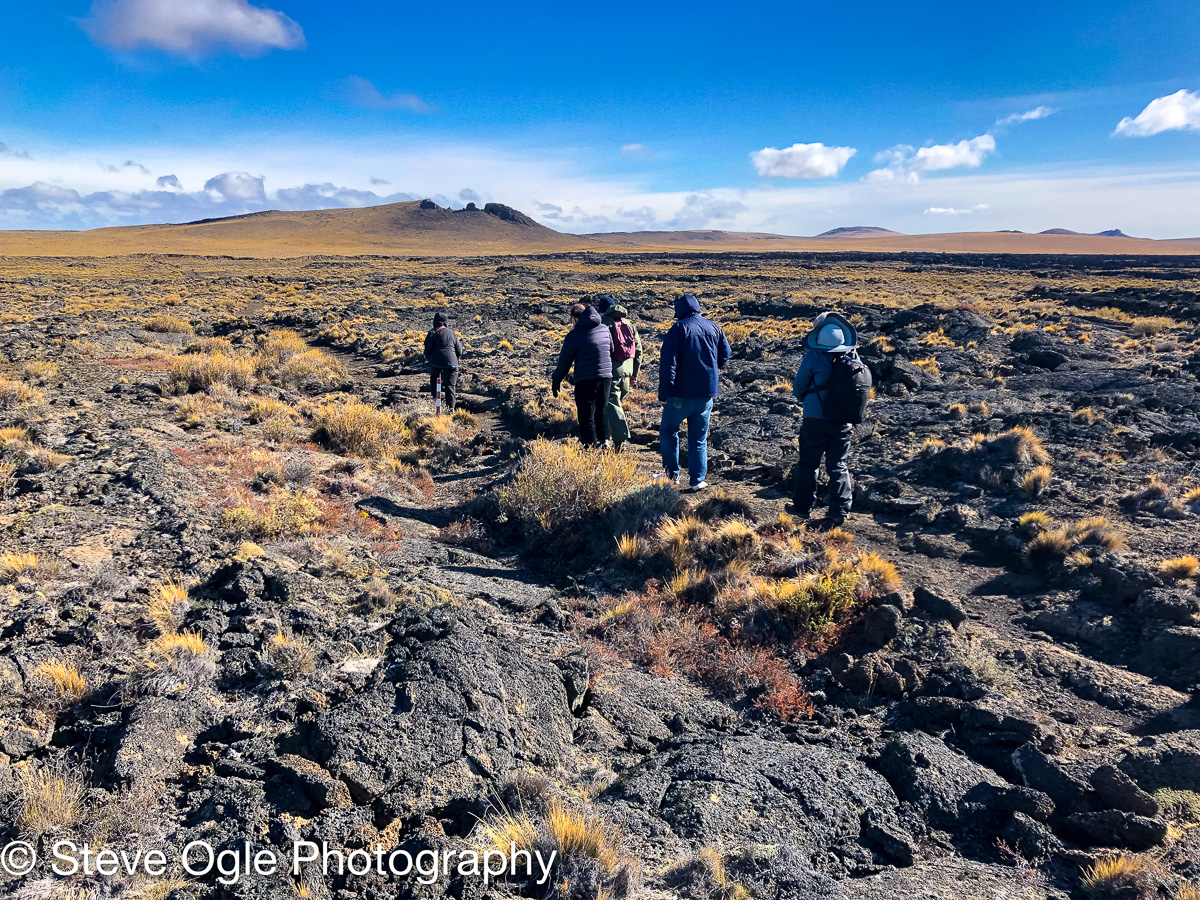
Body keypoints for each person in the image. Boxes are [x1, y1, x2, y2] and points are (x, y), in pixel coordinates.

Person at [791, 311, 862, 525]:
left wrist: (808, 399)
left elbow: (799, 386)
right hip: (843, 420)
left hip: (815, 419)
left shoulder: (813, 357)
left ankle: (803, 507)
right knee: (838, 465)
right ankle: (839, 510)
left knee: (808, 464)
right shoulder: (853, 357)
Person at [656, 294, 731, 491]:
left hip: (680, 394)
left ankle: (672, 475)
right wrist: (712, 370)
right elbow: (726, 354)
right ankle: (698, 480)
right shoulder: (714, 327)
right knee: (698, 437)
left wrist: (664, 392)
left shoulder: (679, 328)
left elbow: (668, 363)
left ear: (679, 310)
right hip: (706, 393)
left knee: (668, 431)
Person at [552, 303, 614, 448]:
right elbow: (611, 349)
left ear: (574, 318)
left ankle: (589, 447)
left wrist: (556, 380)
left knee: (586, 415)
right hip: (606, 376)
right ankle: (605, 441)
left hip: (586, 379)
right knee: (601, 409)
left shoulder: (574, 335)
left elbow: (564, 363)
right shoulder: (604, 328)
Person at [596, 296, 643, 452]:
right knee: (614, 405)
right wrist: (634, 373)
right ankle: (609, 435)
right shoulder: (629, 324)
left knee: (611, 404)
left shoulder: (604, 324)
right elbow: (639, 351)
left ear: (601, 311)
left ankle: (620, 439)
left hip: (611, 372)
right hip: (627, 372)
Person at [423, 311, 465, 412]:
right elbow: (459, 350)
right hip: (452, 363)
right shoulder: (452, 333)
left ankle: (435, 402)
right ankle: (451, 409)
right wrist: (455, 359)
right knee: (450, 386)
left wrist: (428, 357)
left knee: (434, 378)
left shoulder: (432, 333)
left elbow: (427, 349)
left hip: (436, 362)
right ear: (445, 321)